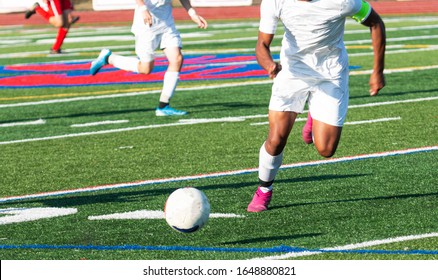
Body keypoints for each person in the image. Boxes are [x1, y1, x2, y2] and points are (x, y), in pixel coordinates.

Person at [247, 0, 386, 212]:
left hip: (331, 75)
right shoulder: (275, 1)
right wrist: (270, 65)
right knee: (276, 139)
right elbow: (261, 45)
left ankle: (315, 111)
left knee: (326, 149)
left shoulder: (343, 1)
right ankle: (264, 189)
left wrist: (377, 71)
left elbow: (376, 23)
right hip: (292, 73)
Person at [90, 0, 208, 116]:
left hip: (167, 24)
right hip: (146, 25)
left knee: (177, 59)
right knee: (146, 68)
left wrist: (193, 14)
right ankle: (109, 58)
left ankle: (163, 106)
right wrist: (143, 8)